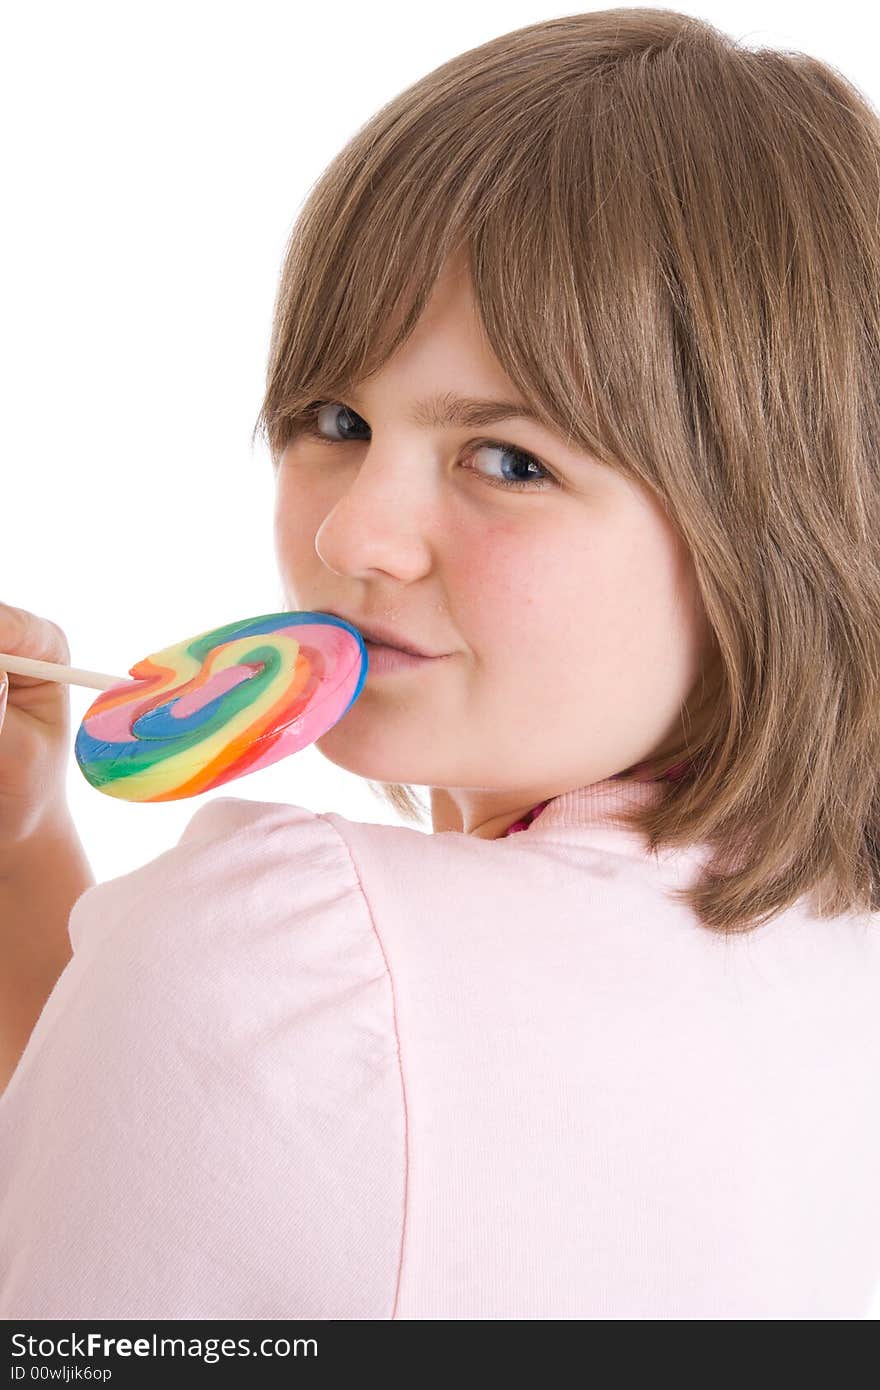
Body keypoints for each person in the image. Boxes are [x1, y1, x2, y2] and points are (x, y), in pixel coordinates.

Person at [2, 8, 880, 1319]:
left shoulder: (281, 960)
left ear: (774, 518)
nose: (356, 530)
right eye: (336, 420)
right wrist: (20, 856)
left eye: (510, 457)